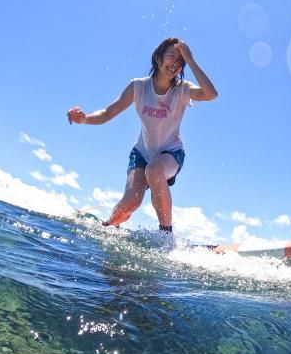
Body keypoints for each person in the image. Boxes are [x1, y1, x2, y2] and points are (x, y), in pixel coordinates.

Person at [67, 37, 217, 233]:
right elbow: (107, 113)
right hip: (141, 153)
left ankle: (165, 234)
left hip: (171, 154)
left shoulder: (183, 90)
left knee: (154, 170)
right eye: (171, 57)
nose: (175, 64)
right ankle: (108, 227)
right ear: (158, 58)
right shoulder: (138, 87)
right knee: (131, 201)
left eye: (181, 62)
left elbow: (211, 94)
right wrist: (85, 118)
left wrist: (191, 60)